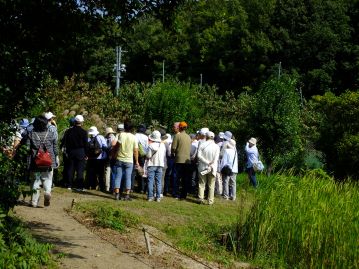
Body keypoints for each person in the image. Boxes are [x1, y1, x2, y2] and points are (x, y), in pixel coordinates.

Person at [24, 115, 58, 207]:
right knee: (47, 178)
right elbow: (55, 148)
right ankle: (47, 191)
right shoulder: (50, 134)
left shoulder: (31, 134)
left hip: (35, 162)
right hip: (48, 161)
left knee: (36, 180)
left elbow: (27, 148)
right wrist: (56, 158)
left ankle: (34, 202)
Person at [112, 121, 139, 201]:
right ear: (132, 128)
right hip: (129, 160)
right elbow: (136, 151)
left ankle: (117, 194)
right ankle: (127, 195)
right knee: (128, 178)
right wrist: (137, 161)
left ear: (124, 127)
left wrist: (114, 154)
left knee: (118, 177)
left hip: (120, 158)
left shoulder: (121, 135)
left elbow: (117, 146)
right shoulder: (134, 137)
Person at [62, 115, 88, 191]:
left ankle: (69, 185)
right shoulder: (84, 132)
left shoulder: (68, 131)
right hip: (80, 151)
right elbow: (85, 144)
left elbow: (65, 142)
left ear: (74, 122)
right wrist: (86, 154)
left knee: (70, 168)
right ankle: (79, 186)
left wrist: (67, 151)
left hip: (71, 151)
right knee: (80, 169)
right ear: (82, 122)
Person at [197, 131, 220, 205]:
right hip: (212, 168)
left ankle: (201, 199)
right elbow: (216, 159)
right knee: (211, 185)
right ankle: (210, 201)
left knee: (202, 184)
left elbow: (199, 156)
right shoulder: (217, 146)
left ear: (206, 137)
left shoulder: (202, 145)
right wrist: (211, 164)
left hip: (203, 167)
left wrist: (207, 162)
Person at [171, 121, 192, 199]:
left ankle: (175, 193)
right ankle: (184, 195)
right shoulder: (189, 137)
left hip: (179, 159)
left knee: (176, 177)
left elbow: (173, 148)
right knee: (185, 178)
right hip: (187, 161)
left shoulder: (177, 136)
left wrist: (172, 153)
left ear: (179, 127)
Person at [146, 130, 166, 202]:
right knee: (158, 181)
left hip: (151, 164)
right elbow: (163, 155)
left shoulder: (151, 145)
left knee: (150, 181)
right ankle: (158, 197)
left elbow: (148, 156)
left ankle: (150, 197)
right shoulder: (162, 145)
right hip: (160, 165)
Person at [86, 126, 108, 191]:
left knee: (92, 173)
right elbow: (105, 146)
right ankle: (102, 187)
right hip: (100, 158)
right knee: (101, 174)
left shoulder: (89, 139)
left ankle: (92, 186)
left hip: (91, 158)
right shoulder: (101, 137)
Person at [133, 124, 149, 193]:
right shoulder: (146, 137)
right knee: (142, 171)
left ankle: (131, 187)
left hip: (134, 155)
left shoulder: (134, 136)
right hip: (142, 156)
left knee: (133, 171)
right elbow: (147, 147)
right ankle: (142, 188)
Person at [104, 127, 116, 192]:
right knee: (110, 172)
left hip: (110, 157)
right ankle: (109, 187)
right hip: (110, 157)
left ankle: (109, 187)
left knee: (109, 171)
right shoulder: (113, 138)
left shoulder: (110, 138)